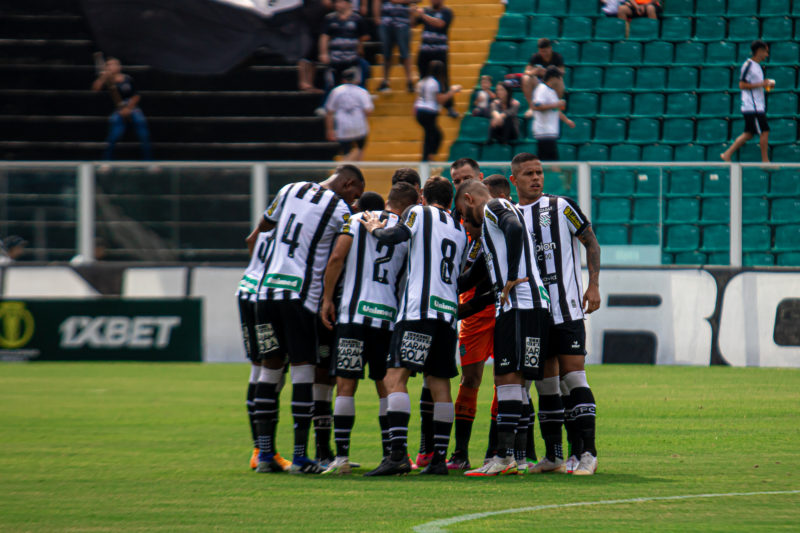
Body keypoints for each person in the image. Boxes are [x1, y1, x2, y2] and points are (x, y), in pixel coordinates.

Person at [245, 165, 364, 475]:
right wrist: (326, 299)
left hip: (265, 293)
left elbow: (258, 233)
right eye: (356, 194)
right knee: (303, 369)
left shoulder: (288, 189)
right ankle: (300, 456)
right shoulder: (340, 209)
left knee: (269, 369)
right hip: (300, 297)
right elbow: (337, 257)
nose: (355, 201)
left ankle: (266, 454)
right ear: (348, 183)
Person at [359, 176, 468, 476]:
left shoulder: (419, 213)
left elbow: (393, 237)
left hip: (418, 311)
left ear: (422, 197)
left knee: (395, 378)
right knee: (439, 383)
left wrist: (374, 228)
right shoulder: (460, 229)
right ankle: (438, 460)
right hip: (447, 316)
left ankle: (396, 456)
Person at [511, 152, 601, 476]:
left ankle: (587, 453)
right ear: (514, 180)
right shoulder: (511, 215)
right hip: (533, 312)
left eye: (539, 172)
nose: (536, 178)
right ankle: (554, 456)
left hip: (567, 308)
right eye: (528, 174)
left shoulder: (561, 206)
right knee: (546, 386)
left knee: (573, 376)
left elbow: (591, 242)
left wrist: (593, 285)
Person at [319, 182, 419, 474]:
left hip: (352, 316)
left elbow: (337, 257)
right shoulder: (405, 226)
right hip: (387, 317)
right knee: (386, 387)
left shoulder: (355, 219)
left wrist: (327, 299)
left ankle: (342, 458)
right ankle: (391, 453)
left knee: (346, 387)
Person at [454, 179, 550, 476]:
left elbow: (516, 229)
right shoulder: (489, 236)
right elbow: (469, 279)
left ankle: (504, 457)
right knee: (515, 382)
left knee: (506, 378)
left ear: (470, 199)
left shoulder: (495, 206)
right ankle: (516, 457)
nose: (465, 220)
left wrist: (509, 277)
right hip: (525, 306)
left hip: (520, 303)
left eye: (463, 212)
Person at [236, 230, 292, 472]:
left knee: (259, 367)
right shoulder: (300, 220)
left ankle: (260, 449)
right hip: (270, 293)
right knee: (274, 369)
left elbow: (249, 240)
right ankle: (264, 451)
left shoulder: (269, 224)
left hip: (248, 288)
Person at [721, 40, 774, 164]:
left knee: (749, 134)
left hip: (757, 105)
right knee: (765, 130)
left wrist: (766, 86)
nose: (767, 54)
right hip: (752, 106)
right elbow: (742, 85)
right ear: (759, 51)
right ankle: (765, 161)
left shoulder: (758, 67)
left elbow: (755, 85)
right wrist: (762, 83)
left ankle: (727, 154)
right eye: (766, 51)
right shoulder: (748, 65)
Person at [91, 58, 152, 161]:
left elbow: (136, 96)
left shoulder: (128, 79)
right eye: (109, 65)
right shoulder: (107, 81)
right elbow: (95, 89)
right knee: (113, 135)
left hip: (131, 108)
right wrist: (102, 78)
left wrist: (128, 108)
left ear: (119, 67)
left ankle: (149, 162)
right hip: (117, 111)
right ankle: (106, 161)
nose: (112, 67)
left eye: (114, 64)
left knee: (143, 133)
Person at [319, 0, 370, 110]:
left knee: (356, 81)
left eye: (340, 2)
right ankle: (325, 107)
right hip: (335, 57)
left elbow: (364, 36)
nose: (337, 5)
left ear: (348, 4)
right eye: (336, 3)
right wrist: (323, 53)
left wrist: (358, 46)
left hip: (351, 58)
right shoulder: (330, 19)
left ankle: (360, 105)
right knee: (330, 83)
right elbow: (324, 37)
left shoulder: (357, 19)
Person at [413, 0, 458, 118]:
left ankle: (449, 106)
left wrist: (423, 15)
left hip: (439, 51)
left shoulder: (447, 12)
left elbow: (440, 24)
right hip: (425, 51)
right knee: (423, 78)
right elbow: (412, 23)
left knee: (444, 79)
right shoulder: (426, 11)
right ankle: (425, 103)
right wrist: (412, 12)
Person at [415, 60, 462, 161]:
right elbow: (440, 100)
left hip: (420, 110)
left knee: (431, 134)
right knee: (435, 136)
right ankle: (427, 158)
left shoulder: (423, 81)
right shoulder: (434, 83)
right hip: (429, 111)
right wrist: (452, 92)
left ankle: (428, 157)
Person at [325, 66, 374, 161]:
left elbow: (329, 111)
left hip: (343, 126)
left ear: (343, 79)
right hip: (359, 125)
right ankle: (351, 166)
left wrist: (329, 130)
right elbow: (368, 110)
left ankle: (348, 165)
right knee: (360, 149)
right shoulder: (361, 91)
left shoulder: (336, 91)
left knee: (346, 151)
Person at [532, 67, 574, 162]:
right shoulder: (542, 89)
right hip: (544, 132)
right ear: (554, 78)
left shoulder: (551, 91)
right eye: (559, 78)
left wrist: (566, 120)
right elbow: (537, 106)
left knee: (550, 162)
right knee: (551, 163)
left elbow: (555, 110)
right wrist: (556, 104)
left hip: (550, 132)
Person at [375, 0, 414, 93]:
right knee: (386, 53)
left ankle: (409, 81)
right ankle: (385, 80)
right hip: (386, 21)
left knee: (405, 52)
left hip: (403, 21)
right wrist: (377, 17)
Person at [522, 39, 565, 118]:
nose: (543, 54)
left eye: (545, 51)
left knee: (560, 80)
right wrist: (534, 72)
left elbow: (562, 72)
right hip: (538, 83)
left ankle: (556, 105)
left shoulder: (557, 57)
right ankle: (531, 107)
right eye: (541, 51)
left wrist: (548, 72)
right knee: (526, 78)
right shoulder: (535, 56)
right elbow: (527, 71)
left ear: (550, 48)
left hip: (552, 83)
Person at [298, 0, 333, 93]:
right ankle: (303, 82)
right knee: (304, 57)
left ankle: (310, 84)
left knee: (314, 58)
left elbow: (328, 4)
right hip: (306, 27)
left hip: (318, 26)